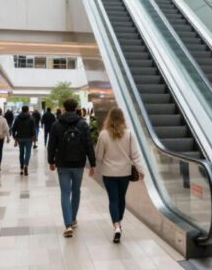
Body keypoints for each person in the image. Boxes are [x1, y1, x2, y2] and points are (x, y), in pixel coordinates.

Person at [95, 108, 145, 243]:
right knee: (121, 198)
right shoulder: (129, 134)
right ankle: (119, 221)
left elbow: (98, 156)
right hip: (124, 173)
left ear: (109, 118)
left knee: (113, 199)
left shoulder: (103, 135)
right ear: (122, 118)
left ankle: (116, 226)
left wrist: (100, 163)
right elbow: (135, 155)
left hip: (109, 172)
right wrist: (141, 171)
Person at [48, 98, 96, 238]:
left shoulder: (57, 124)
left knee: (65, 193)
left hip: (62, 163)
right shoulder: (83, 124)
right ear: (76, 108)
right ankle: (73, 218)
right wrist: (92, 163)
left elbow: (51, 145)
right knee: (76, 191)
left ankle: (68, 224)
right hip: (79, 163)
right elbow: (89, 145)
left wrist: (51, 161)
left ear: (63, 108)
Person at [12, 106, 37, 176]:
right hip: (29, 138)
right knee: (28, 152)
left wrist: (14, 136)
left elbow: (13, 128)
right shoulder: (31, 118)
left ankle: (21, 167)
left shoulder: (17, 118)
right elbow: (33, 129)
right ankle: (26, 165)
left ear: (21, 110)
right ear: (28, 110)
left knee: (21, 153)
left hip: (20, 138)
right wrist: (34, 137)